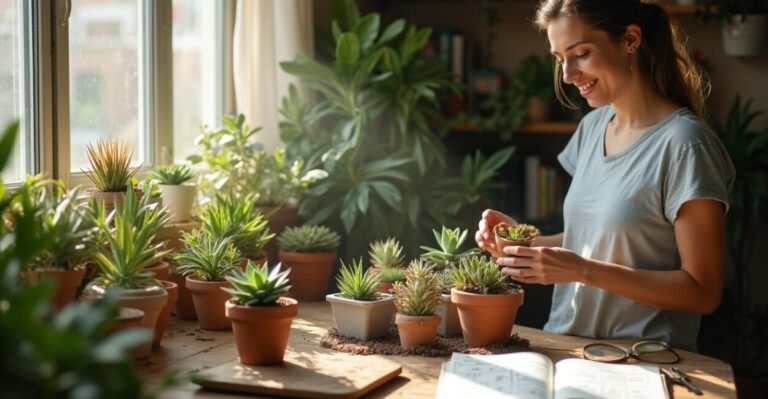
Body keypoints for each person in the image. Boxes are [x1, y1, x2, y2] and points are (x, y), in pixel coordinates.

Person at [475, 0, 734, 352]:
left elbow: (703, 292)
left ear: (630, 39)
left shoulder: (686, 144)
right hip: (563, 348)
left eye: (580, 53)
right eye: (559, 58)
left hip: (642, 361)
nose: (567, 74)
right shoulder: (592, 127)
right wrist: (524, 245)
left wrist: (582, 270)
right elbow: (597, 238)